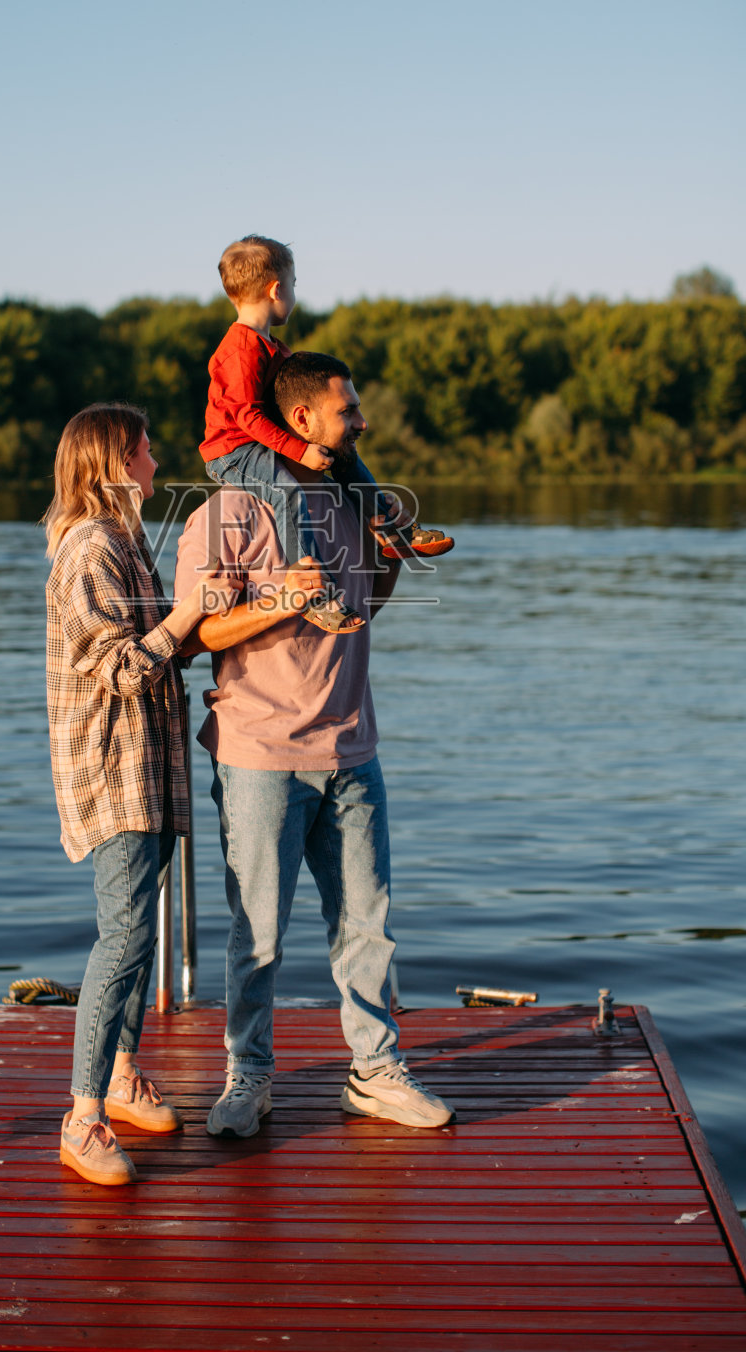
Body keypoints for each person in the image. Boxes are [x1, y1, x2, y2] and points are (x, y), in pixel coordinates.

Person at [175, 353, 455, 1138]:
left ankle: (374, 1072)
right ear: (300, 420)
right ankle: (248, 1077)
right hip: (259, 753)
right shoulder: (227, 510)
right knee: (256, 933)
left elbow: (369, 604)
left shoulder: (347, 500)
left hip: (352, 748)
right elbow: (195, 636)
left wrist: (389, 559)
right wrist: (280, 601)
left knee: (367, 926)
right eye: (348, 410)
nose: (361, 422)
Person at [44, 402, 238, 1184]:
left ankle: (122, 1076)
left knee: (140, 932)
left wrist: (210, 613)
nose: (157, 459)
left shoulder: (127, 542)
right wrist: (191, 611)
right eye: (145, 448)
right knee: (122, 938)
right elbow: (121, 667)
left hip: (149, 767)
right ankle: (81, 1117)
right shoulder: (90, 548)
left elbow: (158, 650)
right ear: (115, 464)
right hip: (113, 767)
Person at [199, 235, 452, 635]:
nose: (295, 294)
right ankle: (315, 594)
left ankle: (390, 528)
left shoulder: (272, 346)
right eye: (294, 284)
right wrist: (299, 450)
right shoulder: (239, 349)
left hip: (263, 443)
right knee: (289, 492)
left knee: (345, 457)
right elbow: (246, 416)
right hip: (233, 452)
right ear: (276, 288)